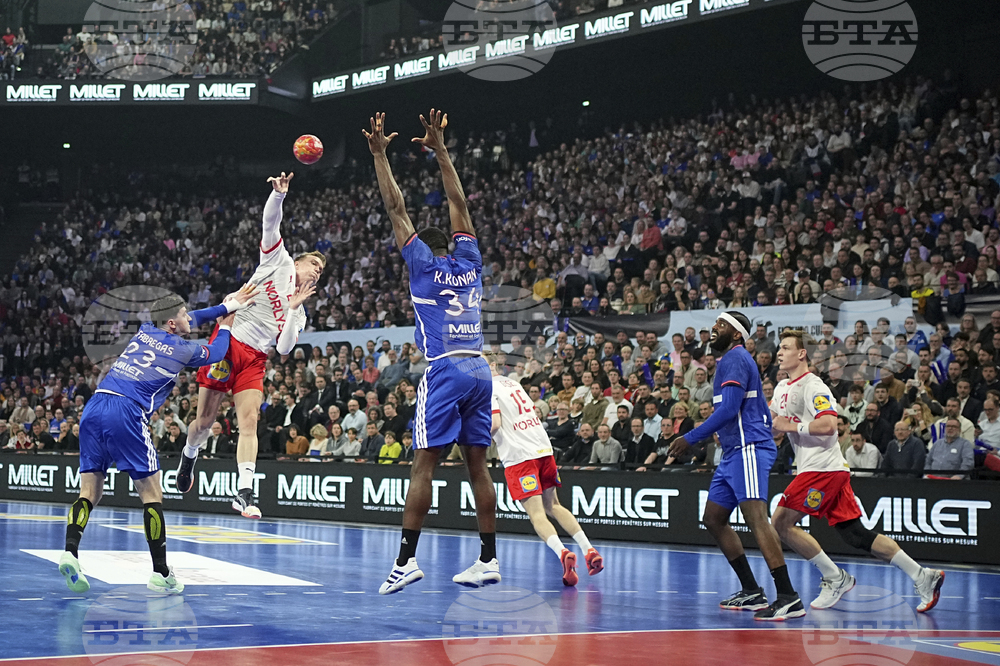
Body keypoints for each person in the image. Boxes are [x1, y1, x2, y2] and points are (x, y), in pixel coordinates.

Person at [367, 110, 498, 595]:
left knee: (423, 466)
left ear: (421, 247)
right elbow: (458, 201)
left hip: (445, 368)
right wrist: (441, 150)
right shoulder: (471, 260)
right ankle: (488, 559)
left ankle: (405, 561)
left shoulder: (420, 262)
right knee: (478, 466)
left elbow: (395, 206)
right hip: (480, 368)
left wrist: (380, 156)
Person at [60, 289, 252, 594]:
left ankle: (70, 552)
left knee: (89, 493)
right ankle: (161, 573)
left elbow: (194, 317)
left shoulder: (146, 330)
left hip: (95, 407)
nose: (190, 318)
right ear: (172, 323)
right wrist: (226, 323)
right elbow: (217, 353)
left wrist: (224, 306)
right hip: (126, 411)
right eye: (184, 314)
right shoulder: (183, 350)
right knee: (151, 495)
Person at [176, 172, 325, 520]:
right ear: (298, 262)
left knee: (249, 422)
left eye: (321, 271)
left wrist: (292, 309)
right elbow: (270, 225)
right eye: (314, 264)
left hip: (255, 358)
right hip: (228, 342)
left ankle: (244, 492)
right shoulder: (279, 261)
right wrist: (279, 196)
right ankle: (189, 453)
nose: (317, 271)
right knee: (204, 422)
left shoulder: (300, 313)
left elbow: (284, 349)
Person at [769, 330, 945, 613]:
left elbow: (829, 426)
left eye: (786, 347)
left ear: (801, 354)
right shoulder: (781, 388)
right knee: (856, 535)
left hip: (822, 468)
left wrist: (789, 426)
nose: (779, 352)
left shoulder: (814, 386)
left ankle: (834, 577)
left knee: (780, 523)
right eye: (779, 347)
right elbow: (772, 422)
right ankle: (922, 575)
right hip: (824, 470)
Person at [668, 311, 803, 621]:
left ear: (737, 334)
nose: (714, 328)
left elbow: (729, 409)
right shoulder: (728, 360)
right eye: (715, 323)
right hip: (733, 452)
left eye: (721, 325)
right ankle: (752, 590)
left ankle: (788, 596)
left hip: (750, 448)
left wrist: (691, 437)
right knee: (713, 518)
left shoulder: (736, 358)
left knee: (756, 518)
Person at [488, 356, 603, 586]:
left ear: (490, 366)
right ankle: (588, 549)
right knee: (554, 505)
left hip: (520, 457)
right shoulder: (514, 383)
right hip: (543, 449)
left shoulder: (487, 388)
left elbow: (495, 424)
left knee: (537, 514)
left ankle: (563, 553)